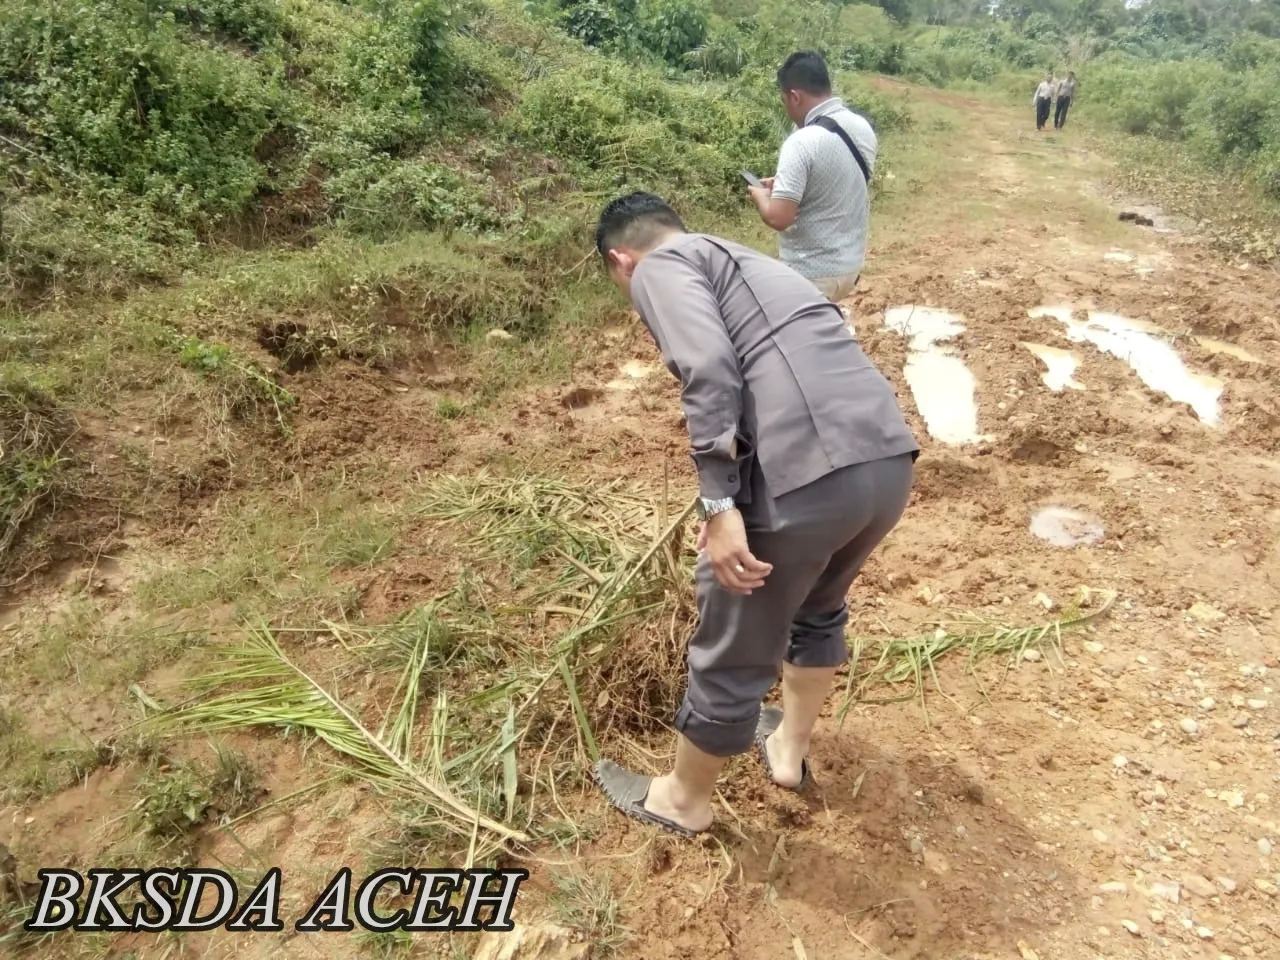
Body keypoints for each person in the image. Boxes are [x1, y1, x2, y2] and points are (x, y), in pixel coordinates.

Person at [590, 192, 920, 837]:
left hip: (807, 475)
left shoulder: (658, 265)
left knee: (736, 635)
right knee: (818, 606)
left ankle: (682, 800)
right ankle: (788, 753)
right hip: (885, 460)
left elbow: (707, 367)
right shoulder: (745, 259)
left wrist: (719, 503)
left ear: (620, 259)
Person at [748, 51, 877, 304]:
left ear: (794, 97)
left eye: (784, 100)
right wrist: (785, 186)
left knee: (791, 341)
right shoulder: (862, 127)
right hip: (850, 267)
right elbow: (837, 182)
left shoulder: (801, 141)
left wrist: (761, 196)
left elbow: (779, 217)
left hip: (810, 275)